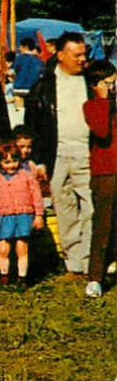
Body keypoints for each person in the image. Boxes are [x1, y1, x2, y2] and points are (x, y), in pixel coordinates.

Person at [25, 32, 94, 281]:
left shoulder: (91, 82)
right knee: (65, 209)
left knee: (91, 207)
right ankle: (74, 264)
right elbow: (32, 125)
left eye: (84, 54)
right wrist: (39, 159)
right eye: (77, 55)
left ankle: (92, 260)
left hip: (86, 152)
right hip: (56, 156)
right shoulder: (44, 86)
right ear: (61, 55)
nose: (82, 59)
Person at [82, 60, 117, 298]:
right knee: (103, 226)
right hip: (105, 172)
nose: (114, 88)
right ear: (96, 85)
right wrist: (104, 100)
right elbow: (101, 132)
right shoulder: (92, 106)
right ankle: (95, 277)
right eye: (108, 84)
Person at [0, 140, 43, 287]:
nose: (11, 165)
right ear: (0, 163)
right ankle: (4, 276)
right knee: (3, 248)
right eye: (6, 162)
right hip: (3, 217)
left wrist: (38, 215)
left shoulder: (26, 175)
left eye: (14, 161)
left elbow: (36, 195)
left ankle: (22, 278)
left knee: (22, 247)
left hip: (24, 215)